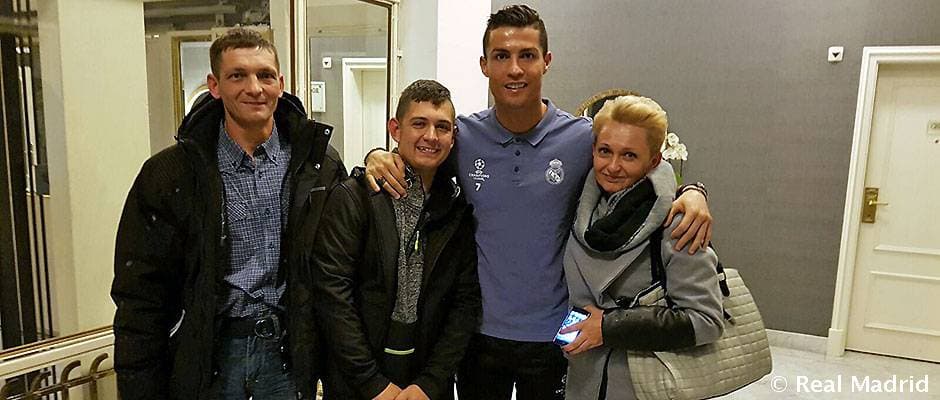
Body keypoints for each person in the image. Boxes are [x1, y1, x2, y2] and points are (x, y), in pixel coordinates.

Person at [365, 5, 712, 399]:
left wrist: (693, 191)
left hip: (557, 332)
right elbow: (415, 155)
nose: (515, 69)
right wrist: (377, 154)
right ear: (484, 65)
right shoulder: (462, 137)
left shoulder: (580, 139)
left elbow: (646, 169)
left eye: (527, 56)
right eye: (502, 56)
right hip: (477, 333)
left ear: (546, 62)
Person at [111, 28, 346, 400]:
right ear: (215, 85)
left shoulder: (317, 166)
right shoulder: (171, 174)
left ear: (281, 84)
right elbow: (140, 295)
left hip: (286, 358)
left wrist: (375, 158)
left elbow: (341, 264)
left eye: (265, 75)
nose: (254, 88)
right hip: (210, 359)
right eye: (238, 75)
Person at [312, 80, 481, 400]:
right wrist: (372, 384)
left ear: (453, 137)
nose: (431, 136)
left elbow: (464, 304)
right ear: (395, 128)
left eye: (442, 127)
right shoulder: (355, 198)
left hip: (426, 383)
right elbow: (333, 294)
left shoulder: (457, 212)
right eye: (419, 123)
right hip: (358, 382)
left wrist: (430, 384)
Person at [561, 95, 724, 400]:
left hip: (642, 384)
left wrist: (610, 326)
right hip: (582, 379)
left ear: (653, 161)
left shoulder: (677, 222)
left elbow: (706, 321)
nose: (612, 166)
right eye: (604, 151)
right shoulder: (580, 208)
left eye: (629, 156)